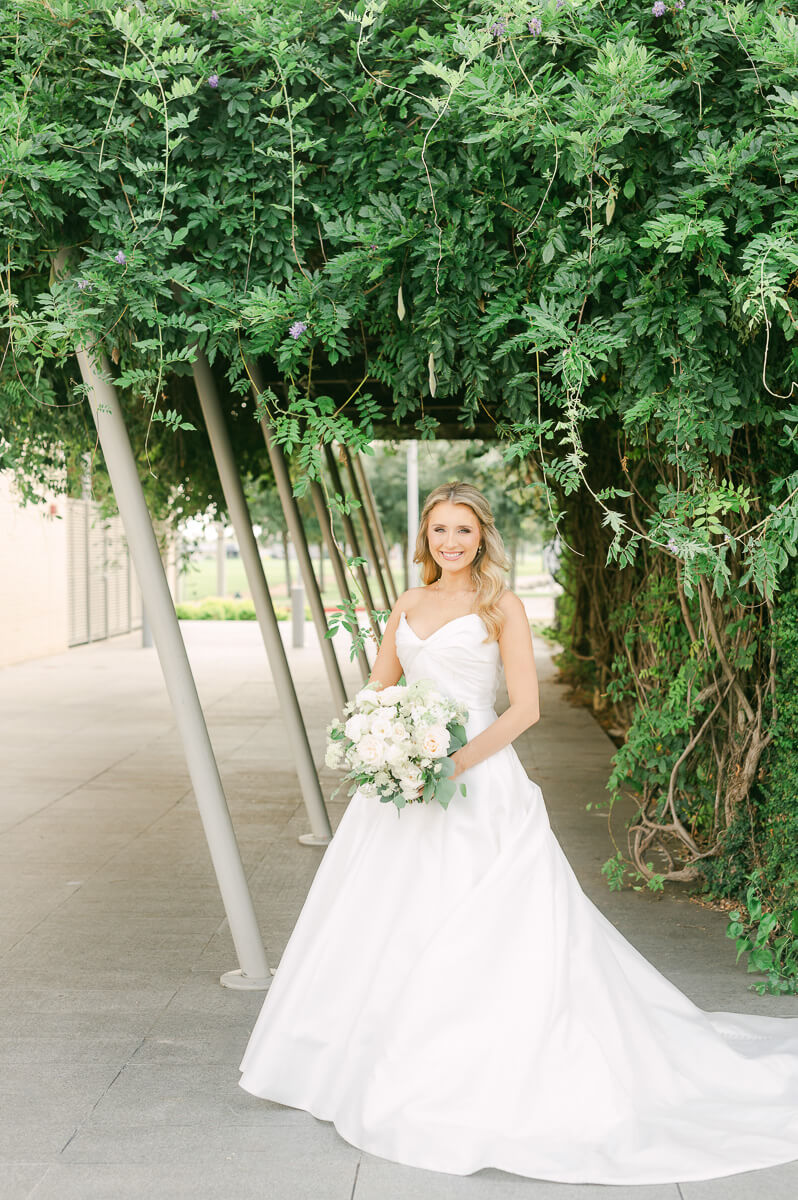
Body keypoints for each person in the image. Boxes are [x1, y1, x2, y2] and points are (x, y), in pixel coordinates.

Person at [239, 481, 798, 1186]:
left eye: (463, 532)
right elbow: (378, 690)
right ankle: (356, 1057)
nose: (450, 542)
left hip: (476, 782)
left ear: (482, 539)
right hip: (406, 788)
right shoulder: (408, 604)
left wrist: (450, 761)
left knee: (482, 923)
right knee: (380, 919)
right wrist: (381, 744)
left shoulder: (499, 606)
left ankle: (472, 1064)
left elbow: (526, 708)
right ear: (425, 540)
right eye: (439, 530)